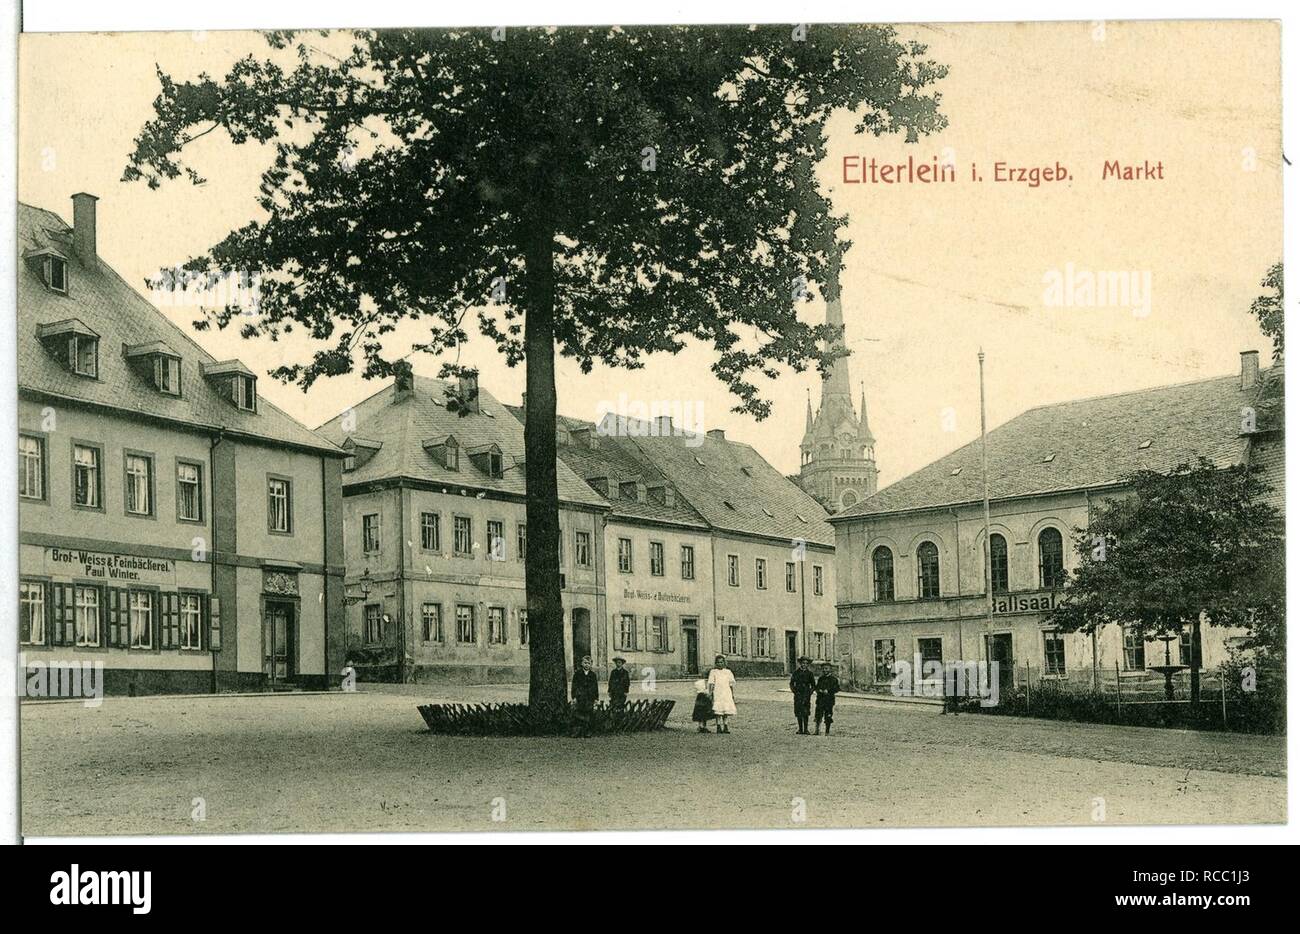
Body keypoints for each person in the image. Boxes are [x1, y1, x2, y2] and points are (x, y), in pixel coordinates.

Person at [706, 654, 737, 733]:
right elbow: (711, 683)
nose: (720, 664)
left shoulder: (728, 672)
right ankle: (718, 726)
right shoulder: (713, 672)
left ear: (724, 663)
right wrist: (710, 693)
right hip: (718, 692)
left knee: (725, 710)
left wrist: (732, 694)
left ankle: (726, 726)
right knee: (718, 710)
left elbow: (731, 684)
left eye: (721, 662)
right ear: (716, 663)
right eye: (718, 662)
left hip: (726, 692)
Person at [570, 655, 599, 737]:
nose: (587, 665)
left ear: (591, 665)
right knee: (578, 714)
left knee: (588, 714)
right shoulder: (577, 674)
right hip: (580, 697)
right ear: (582, 663)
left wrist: (596, 698)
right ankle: (577, 732)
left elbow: (595, 687)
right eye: (585, 663)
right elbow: (574, 686)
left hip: (589, 697)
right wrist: (574, 697)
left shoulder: (593, 675)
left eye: (588, 663)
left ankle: (587, 732)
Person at [790, 655, 816, 734]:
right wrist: (794, 691)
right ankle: (800, 729)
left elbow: (813, 685)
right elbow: (791, 683)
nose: (804, 665)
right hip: (798, 694)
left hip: (806, 695)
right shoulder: (796, 673)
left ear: (808, 665)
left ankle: (806, 729)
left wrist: (810, 692)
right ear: (800, 663)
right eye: (803, 663)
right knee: (798, 711)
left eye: (806, 663)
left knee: (805, 711)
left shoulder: (810, 674)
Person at [814, 661, 841, 735]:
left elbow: (837, 689)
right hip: (820, 700)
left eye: (826, 668)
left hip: (829, 700)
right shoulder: (821, 679)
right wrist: (818, 690)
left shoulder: (834, 679)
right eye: (823, 669)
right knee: (818, 715)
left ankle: (827, 731)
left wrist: (828, 691)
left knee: (828, 715)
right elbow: (816, 687)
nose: (825, 670)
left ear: (830, 669)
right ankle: (817, 730)